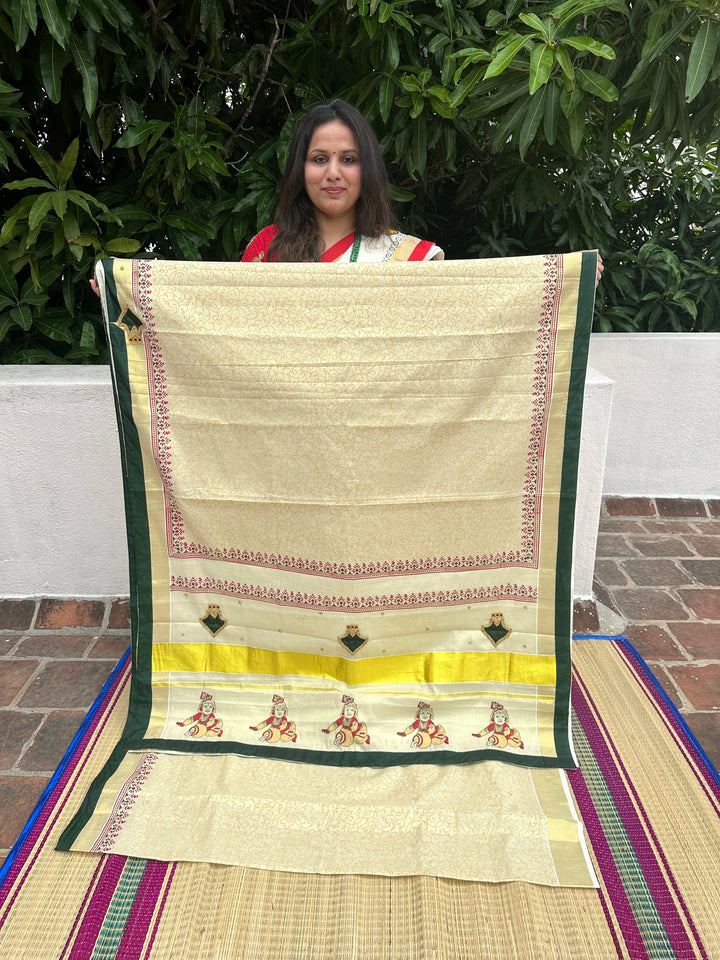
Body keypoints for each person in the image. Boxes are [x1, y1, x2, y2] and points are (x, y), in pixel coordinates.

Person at [241, 99, 444, 264]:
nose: (333, 174)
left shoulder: (410, 259)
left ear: (367, 169)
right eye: (320, 159)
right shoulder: (268, 248)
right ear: (300, 169)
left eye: (348, 160)